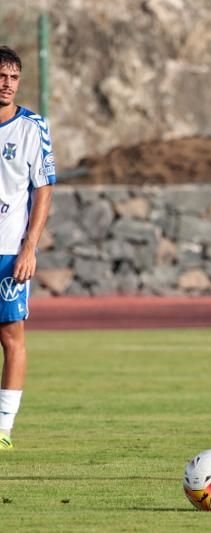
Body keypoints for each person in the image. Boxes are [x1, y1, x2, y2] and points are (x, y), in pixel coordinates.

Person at [0, 46, 56, 450]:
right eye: (0, 75)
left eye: (13, 77)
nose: (6, 84)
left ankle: (2, 429)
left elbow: (43, 189)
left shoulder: (32, 126)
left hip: (7, 252)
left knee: (10, 336)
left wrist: (29, 248)